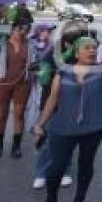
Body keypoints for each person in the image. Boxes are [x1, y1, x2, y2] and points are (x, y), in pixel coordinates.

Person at [33, 23, 102, 202]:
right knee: (57, 167)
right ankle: (50, 201)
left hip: (93, 128)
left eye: (94, 48)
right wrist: (40, 124)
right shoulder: (62, 74)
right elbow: (52, 101)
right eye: (87, 48)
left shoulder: (101, 71)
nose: (92, 50)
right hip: (63, 128)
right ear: (76, 52)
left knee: (85, 165)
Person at [30, 23, 74, 190]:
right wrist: (42, 72)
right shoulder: (52, 52)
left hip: (71, 103)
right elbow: (41, 73)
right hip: (50, 101)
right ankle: (41, 172)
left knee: (67, 140)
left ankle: (65, 171)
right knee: (47, 139)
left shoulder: (80, 53)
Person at [0, 23, 37, 158]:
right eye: (19, 29)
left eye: (25, 30)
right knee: (1, 115)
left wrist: (34, 66)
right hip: (2, 84)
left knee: (19, 115)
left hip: (23, 84)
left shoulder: (32, 45)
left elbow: (38, 64)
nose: (21, 32)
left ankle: (16, 147)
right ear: (12, 30)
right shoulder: (0, 44)